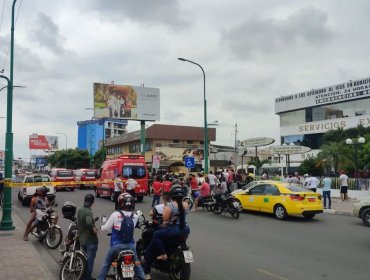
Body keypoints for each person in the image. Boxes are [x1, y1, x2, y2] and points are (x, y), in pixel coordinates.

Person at [143, 185, 190, 279]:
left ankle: (161, 256)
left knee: (154, 238)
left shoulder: (169, 206)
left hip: (172, 230)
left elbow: (165, 218)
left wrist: (166, 217)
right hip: (185, 228)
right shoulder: (186, 204)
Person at [98, 193, 145, 280]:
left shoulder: (115, 214)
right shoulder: (134, 216)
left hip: (116, 246)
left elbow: (106, 228)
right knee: (136, 263)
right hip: (130, 246)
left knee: (107, 263)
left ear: (120, 202)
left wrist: (101, 227)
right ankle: (143, 277)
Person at [77, 194, 98, 280]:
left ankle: (82, 274)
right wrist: (93, 228)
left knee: (84, 258)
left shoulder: (80, 210)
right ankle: (87, 278)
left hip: (82, 240)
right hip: (90, 240)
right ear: (92, 202)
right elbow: (89, 222)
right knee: (90, 260)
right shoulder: (88, 212)